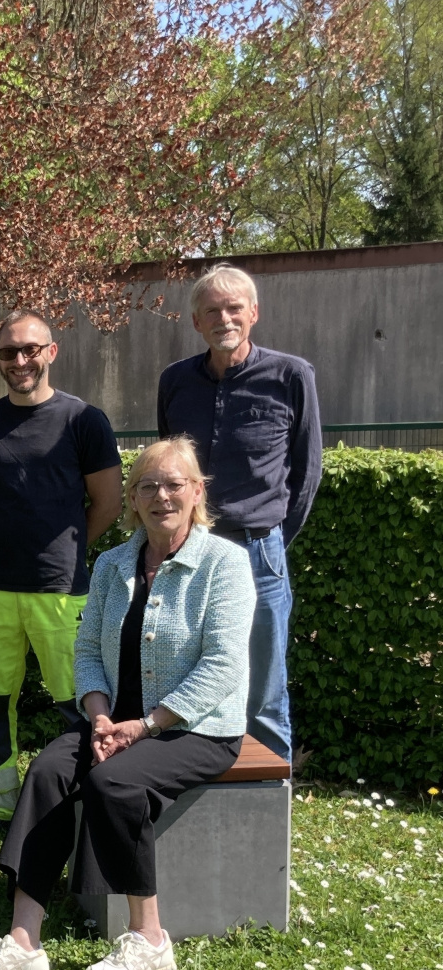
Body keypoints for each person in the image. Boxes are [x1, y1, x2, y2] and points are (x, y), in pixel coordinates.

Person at [0, 437, 253, 970]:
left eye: (173, 484)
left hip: (195, 727)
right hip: (114, 724)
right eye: (147, 486)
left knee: (113, 783)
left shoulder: (225, 565)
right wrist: (97, 717)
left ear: (197, 492)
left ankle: (150, 940)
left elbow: (223, 666)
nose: (161, 495)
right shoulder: (115, 563)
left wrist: (146, 725)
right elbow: (87, 651)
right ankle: (23, 945)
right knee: (47, 771)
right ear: (133, 500)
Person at [0, 310, 123, 836]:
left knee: (78, 706)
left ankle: (80, 799)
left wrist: (62, 553)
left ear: (52, 351)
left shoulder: (84, 421)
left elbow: (108, 504)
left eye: (30, 349)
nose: (20, 360)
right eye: (9, 352)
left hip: (62, 594)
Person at [157, 263, 320, 764]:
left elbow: (307, 472)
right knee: (187, 674)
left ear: (253, 313)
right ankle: (189, 787)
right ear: (196, 322)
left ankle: (270, 797)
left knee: (266, 688)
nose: (224, 318)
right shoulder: (175, 381)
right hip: (192, 554)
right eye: (212, 310)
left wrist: (270, 538)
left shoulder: (291, 376)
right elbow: (171, 468)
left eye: (234, 308)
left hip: (258, 552)